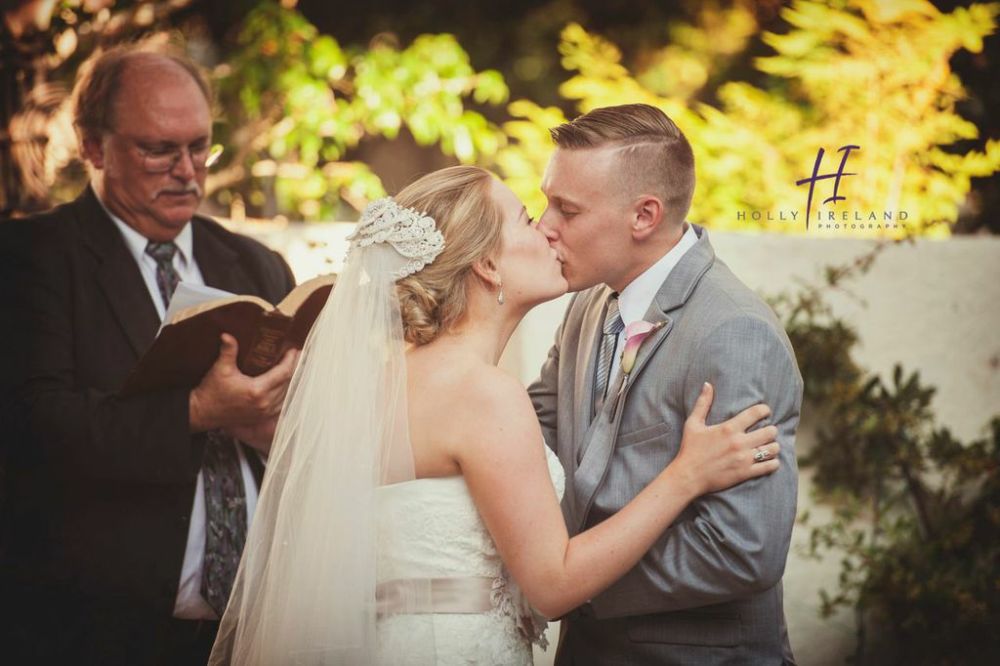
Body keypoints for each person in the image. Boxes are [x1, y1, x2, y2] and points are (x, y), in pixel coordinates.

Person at [209, 165, 783, 665]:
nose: (550, 230)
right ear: (486, 263)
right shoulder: (482, 395)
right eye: (528, 219)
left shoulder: (382, 382)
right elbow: (552, 585)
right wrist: (686, 475)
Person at [0, 44, 299, 665]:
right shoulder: (33, 258)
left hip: (256, 625)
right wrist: (196, 410)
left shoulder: (254, 263)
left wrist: (276, 426)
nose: (188, 171)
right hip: (96, 628)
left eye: (200, 147)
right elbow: (35, 427)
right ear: (92, 146)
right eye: (159, 149)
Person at [529, 103, 803, 664]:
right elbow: (534, 433)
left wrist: (572, 581)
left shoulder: (734, 333)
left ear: (644, 215)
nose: (544, 225)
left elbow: (742, 549)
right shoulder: (587, 301)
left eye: (567, 209)